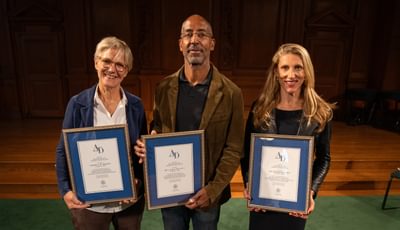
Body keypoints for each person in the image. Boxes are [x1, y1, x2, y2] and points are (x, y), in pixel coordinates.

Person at [135, 14, 244, 230]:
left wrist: (213, 190)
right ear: (180, 44)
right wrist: (151, 142)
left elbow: (234, 149)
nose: (194, 40)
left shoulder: (232, 93)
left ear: (211, 44)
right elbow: (158, 127)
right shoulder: (163, 88)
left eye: (202, 34)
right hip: (170, 189)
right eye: (188, 34)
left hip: (206, 193)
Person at [55, 36, 147, 230]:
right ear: (96, 62)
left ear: (126, 71)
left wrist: (138, 184)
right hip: (90, 204)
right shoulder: (77, 104)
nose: (112, 69)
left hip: (128, 203)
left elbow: (140, 152)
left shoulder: (136, 105)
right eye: (106, 61)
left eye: (120, 65)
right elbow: (63, 150)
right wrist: (65, 190)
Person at [240, 43, 334, 230]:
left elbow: (324, 158)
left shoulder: (321, 112)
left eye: (298, 67)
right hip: (263, 198)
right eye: (285, 67)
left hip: (295, 202)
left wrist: (310, 191)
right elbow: (247, 153)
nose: (291, 75)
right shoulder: (260, 108)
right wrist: (250, 183)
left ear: (306, 71)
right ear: (276, 72)